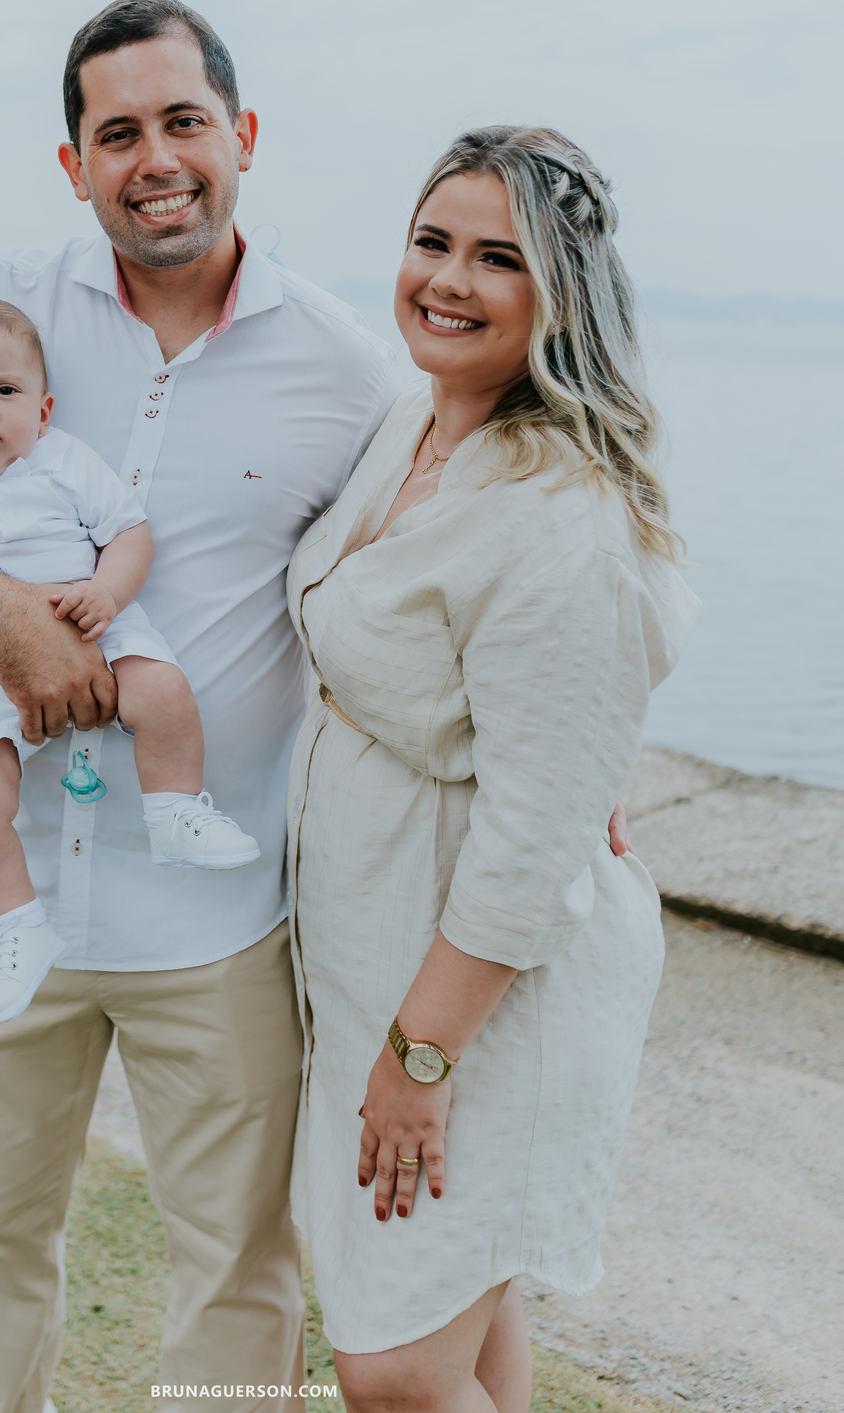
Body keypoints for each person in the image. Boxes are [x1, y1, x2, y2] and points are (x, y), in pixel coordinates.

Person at [0, 0, 402, 1411]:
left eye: (183, 122)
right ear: (74, 162)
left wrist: (582, 750)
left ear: (241, 137)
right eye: (116, 131)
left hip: (219, 918)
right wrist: (0, 614)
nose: (154, 158)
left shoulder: (347, 368)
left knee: (241, 1267)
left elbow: (428, 585)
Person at [284, 126, 699, 1413]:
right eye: (432, 243)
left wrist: (421, 1061)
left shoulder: (562, 513)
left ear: (559, 294)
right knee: (465, 1326)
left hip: (485, 998)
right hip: (383, 955)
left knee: (397, 1366)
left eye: (497, 258)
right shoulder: (415, 423)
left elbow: (532, 843)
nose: (448, 280)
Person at [0, 293, 259, 1028]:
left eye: (4, 392)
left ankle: (174, 811)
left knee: (163, 693)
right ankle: (17, 927)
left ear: (41, 410)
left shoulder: (63, 460)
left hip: (89, 616)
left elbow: (129, 532)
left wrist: (108, 588)